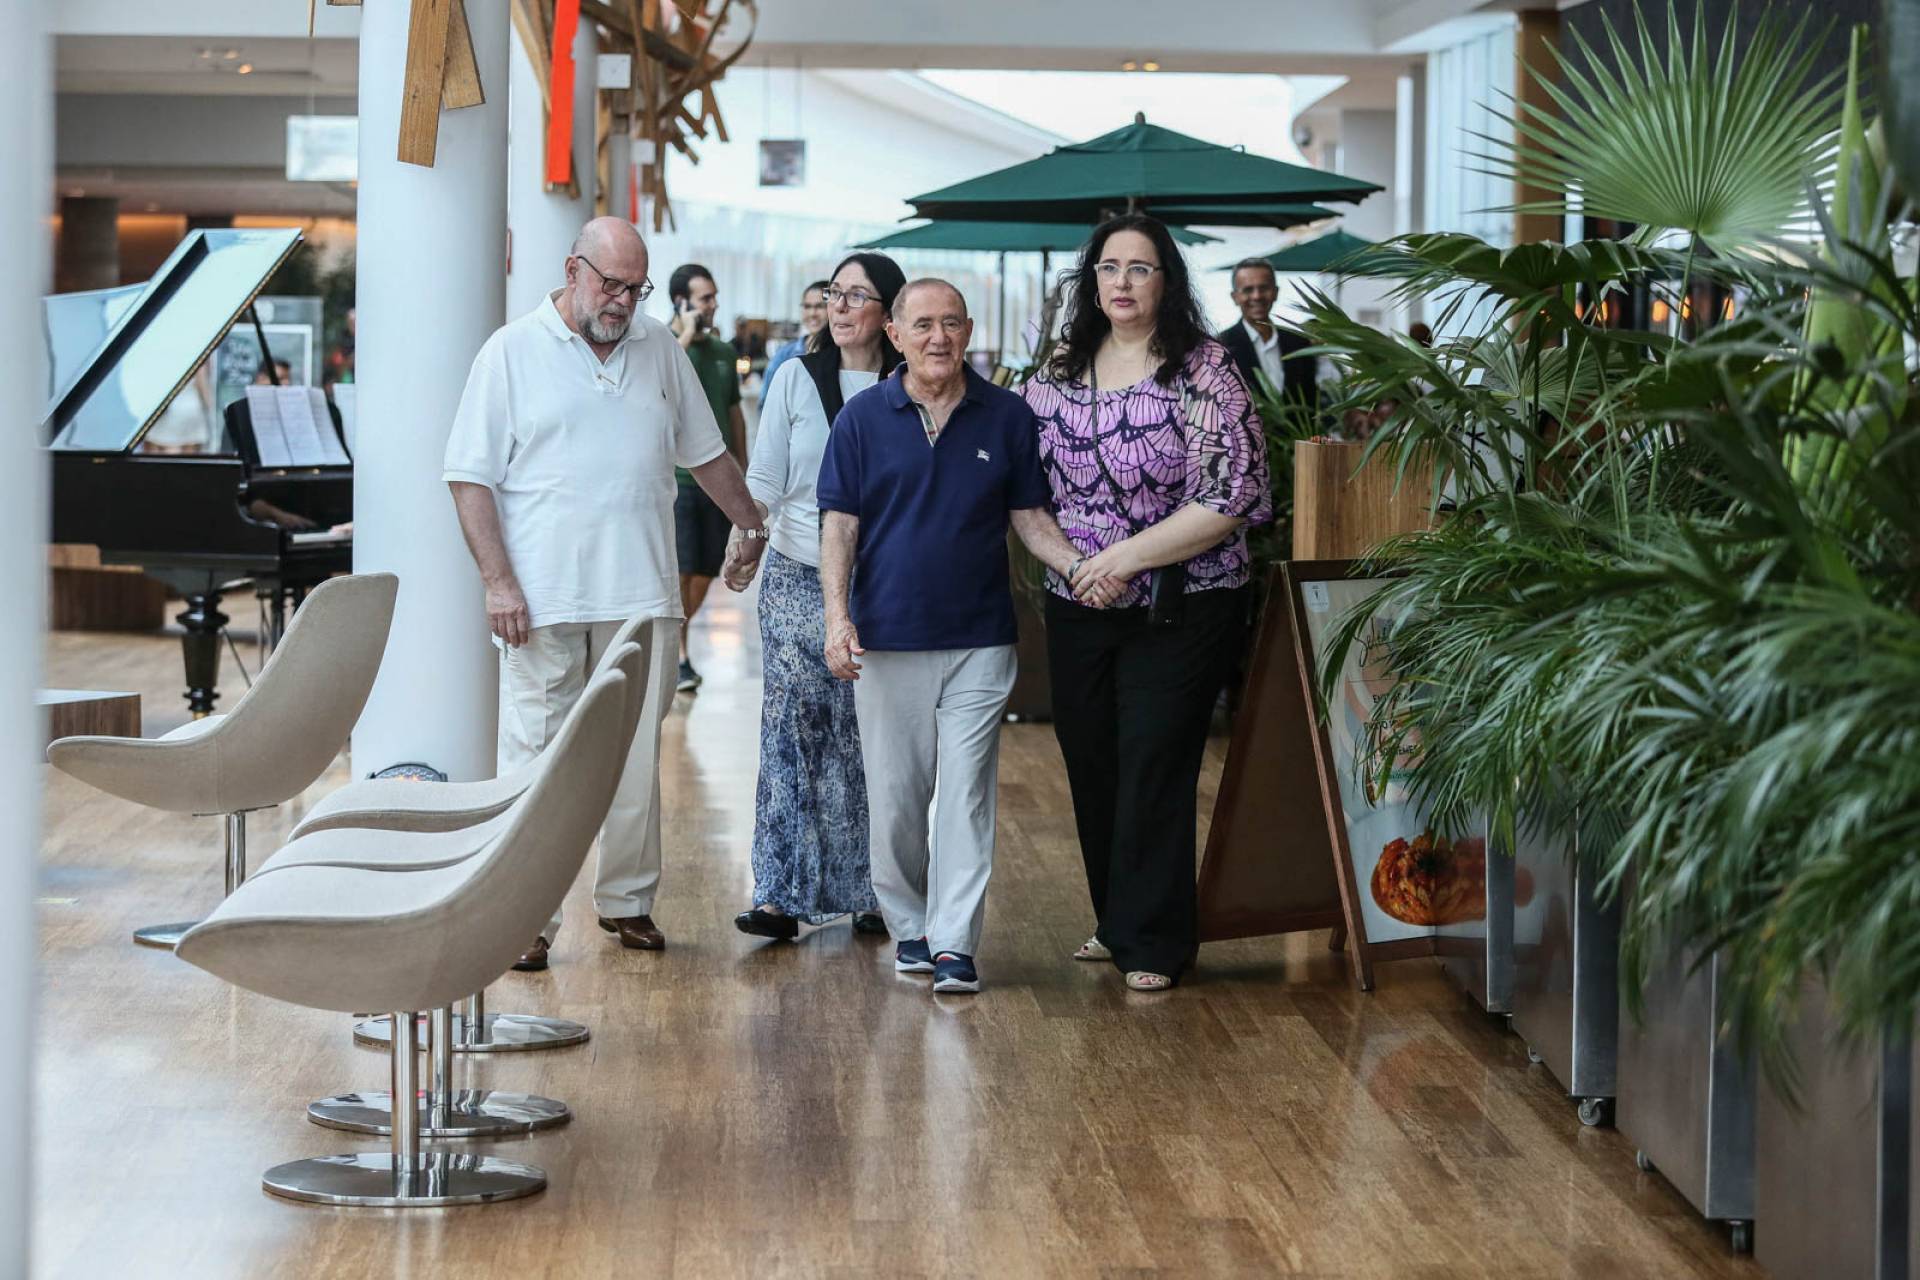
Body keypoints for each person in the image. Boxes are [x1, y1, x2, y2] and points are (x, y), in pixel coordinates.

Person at [444, 217, 770, 970]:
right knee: (534, 760)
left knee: (633, 757)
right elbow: (469, 477)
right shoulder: (510, 351)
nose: (622, 300)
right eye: (610, 284)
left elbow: (707, 453)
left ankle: (627, 899)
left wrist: (750, 522)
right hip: (541, 599)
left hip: (642, 593)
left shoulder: (659, 348)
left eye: (635, 288)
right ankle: (525, 914)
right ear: (573, 270)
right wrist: (498, 582)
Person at [817, 278, 1099, 996]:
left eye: (950, 324)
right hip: (887, 641)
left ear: (969, 331)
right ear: (896, 335)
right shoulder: (861, 419)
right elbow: (840, 525)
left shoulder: (1006, 416)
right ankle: (909, 925)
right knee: (897, 800)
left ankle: (953, 943)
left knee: (967, 795)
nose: (937, 337)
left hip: (980, 639)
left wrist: (1079, 567)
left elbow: (1029, 516)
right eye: (922, 325)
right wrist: (836, 618)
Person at [1020, 214, 1271, 993]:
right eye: (1109, 267)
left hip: (1184, 600)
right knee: (1092, 758)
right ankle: (1117, 919)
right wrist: (1077, 566)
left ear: (1168, 281)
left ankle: (1157, 940)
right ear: (1090, 280)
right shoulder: (1057, 371)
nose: (1122, 282)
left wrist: (1123, 559)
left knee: (1155, 759)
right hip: (1079, 597)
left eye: (1140, 267)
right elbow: (1022, 490)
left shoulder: (1205, 369)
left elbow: (1234, 492)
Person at [721, 254, 906, 942]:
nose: (841, 305)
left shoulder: (909, 383)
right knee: (792, 729)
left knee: (871, 734)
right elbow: (766, 473)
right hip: (798, 573)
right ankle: (779, 894)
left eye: (858, 295)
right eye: (836, 293)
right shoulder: (797, 377)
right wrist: (745, 538)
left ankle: (875, 890)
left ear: (889, 312)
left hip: (883, 581)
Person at [667, 262, 747, 693]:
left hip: (718, 481)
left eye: (714, 297)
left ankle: (672, 645)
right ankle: (678, 656)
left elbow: (734, 412)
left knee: (704, 571)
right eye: (705, 298)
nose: (714, 305)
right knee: (681, 569)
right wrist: (684, 335)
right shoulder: (663, 345)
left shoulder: (723, 352)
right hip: (677, 480)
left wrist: (744, 470)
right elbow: (660, 385)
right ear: (682, 302)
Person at [1218, 258, 1318, 417]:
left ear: (1276, 292)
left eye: (1263, 288)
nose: (1257, 296)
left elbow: (1311, 400)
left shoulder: (1299, 342)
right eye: (1248, 290)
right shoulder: (1220, 347)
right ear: (1235, 297)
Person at [761, 279, 829, 389]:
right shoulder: (784, 355)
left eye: (820, 306)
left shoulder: (843, 354)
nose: (812, 313)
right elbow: (766, 397)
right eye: (807, 306)